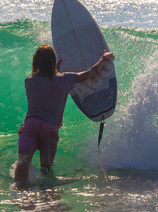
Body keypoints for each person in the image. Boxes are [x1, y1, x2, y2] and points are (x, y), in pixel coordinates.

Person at [14, 44, 115, 185]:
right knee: (45, 169)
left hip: (30, 125)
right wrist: (104, 58)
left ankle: (19, 191)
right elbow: (90, 74)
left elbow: (45, 86)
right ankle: (46, 197)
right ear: (53, 62)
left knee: (23, 161)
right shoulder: (64, 79)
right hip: (49, 128)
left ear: (35, 62)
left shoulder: (29, 80)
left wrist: (56, 71)